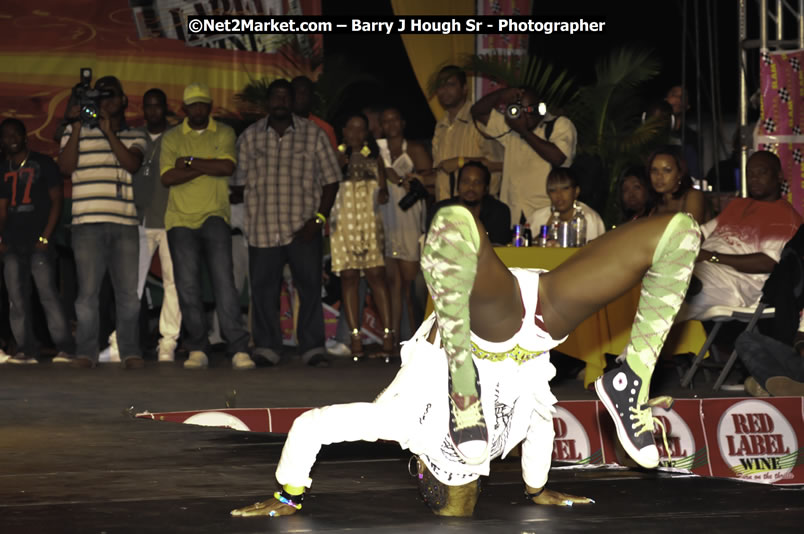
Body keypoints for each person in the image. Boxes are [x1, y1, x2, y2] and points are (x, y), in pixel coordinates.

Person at [230, 201, 702, 518]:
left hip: (519, 324)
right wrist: (287, 493)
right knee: (679, 233)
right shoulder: (439, 434)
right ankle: (626, 379)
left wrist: (537, 488)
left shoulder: (449, 435)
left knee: (677, 233)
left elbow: (541, 430)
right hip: (518, 323)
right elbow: (311, 426)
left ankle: (474, 377)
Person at [232, 79, 341, 367]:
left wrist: (318, 218)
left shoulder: (313, 135)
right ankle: (267, 347)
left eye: (285, 97)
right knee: (264, 290)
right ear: (268, 102)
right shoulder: (249, 137)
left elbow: (331, 180)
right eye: (275, 97)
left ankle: (312, 348)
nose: (280, 101)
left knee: (309, 288)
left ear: (293, 101)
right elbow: (238, 183)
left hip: (303, 227)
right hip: (263, 227)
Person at [160, 82, 254, 370]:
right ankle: (197, 347)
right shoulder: (172, 136)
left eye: (203, 104)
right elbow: (167, 177)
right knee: (187, 286)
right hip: (179, 219)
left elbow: (227, 167)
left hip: (215, 215)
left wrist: (189, 162)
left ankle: (237, 347)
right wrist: (206, 165)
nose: (198, 109)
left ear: (210, 107)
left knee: (224, 282)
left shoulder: (224, 132)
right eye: (193, 105)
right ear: (184, 108)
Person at [58, 76, 147, 368]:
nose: (107, 100)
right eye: (102, 95)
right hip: (86, 224)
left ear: (123, 100)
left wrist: (109, 133)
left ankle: (130, 351)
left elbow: (132, 164)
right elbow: (65, 167)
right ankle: (86, 353)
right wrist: (74, 128)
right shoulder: (75, 131)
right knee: (87, 295)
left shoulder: (135, 134)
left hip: (124, 224)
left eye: (113, 94)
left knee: (128, 295)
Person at [677, 151, 802, 321]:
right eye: (750, 173)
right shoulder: (738, 205)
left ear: (779, 176)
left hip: (732, 283)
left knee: (670, 288)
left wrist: (711, 257)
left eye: (761, 172)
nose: (754, 178)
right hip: (698, 266)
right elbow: (701, 233)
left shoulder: (787, 217)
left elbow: (767, 262)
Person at [105, 88, 181, 363]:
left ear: (165, 108)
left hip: (171, 219)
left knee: (174, 284)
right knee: (131, 285)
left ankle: (167, 344)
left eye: (157, 106)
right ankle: (118, 344)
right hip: (138, 220)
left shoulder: (176, 136)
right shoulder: (134, 136)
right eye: (148, 106)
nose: (152, 111)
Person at [0, 118, 74, 363]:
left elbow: (57, 201)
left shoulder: (44, 163)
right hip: (12, 243)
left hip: (39, 242)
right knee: (16, 297)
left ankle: (64, 347)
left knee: (47, 295)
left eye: (14, 135)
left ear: (24, 137)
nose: (10, 140)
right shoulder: (3, 168)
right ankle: (25, 349)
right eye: (5, 136)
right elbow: (1, 209)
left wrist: (46, 235)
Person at [331, 112, 395, 359]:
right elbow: (326, 183)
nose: (356, 134)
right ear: (344, 131)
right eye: (351, 129)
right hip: (344, 221)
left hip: (368, 221)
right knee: (348, 277)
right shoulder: (335, 156)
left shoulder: (374, 158)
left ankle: (388, 336)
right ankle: (354, 338)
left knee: (376, 275)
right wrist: (340, 162)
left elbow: (384, 192)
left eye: (361, 129)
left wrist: (382, 194)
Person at [471, 86, 577, 227]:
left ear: (540, 108)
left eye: (528, 110)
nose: (524, 116)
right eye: (519, 110)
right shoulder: (512, 128)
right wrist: (502, 94)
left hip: (548, 215)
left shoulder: (559, 125)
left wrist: (524, 132)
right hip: (513, 215)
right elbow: (477, 111)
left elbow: (558, 157)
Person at [377, 107, 431, 342]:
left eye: (394, 119)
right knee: (392, 283)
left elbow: (431, 182)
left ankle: (417, 338)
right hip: (386, 219)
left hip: (409, 220)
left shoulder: (415, 149)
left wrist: (402, 180)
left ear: (402, 122)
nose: (391, 124)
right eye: (385, 120)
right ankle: (395, 337)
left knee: (410, 283)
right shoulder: (378, 151)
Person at [432, 65, 503, 201]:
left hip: (478, 208)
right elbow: (441, 174)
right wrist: (420, 180)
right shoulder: (440, 126)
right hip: (446, 209)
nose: (444, 90)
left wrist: (460, 161)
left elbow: (501, 164)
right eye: (440, 86)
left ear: (465, 89)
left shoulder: (479, 120)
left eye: (450, 84)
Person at [428, 161, 511, 246]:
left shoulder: (499, 212)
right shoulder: (441, 211)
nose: (471, 187)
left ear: (486, 189)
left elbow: (499, 249)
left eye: (477, 182)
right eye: (465, 182)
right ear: (458, 186)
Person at [529, 167, 606, 242]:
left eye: (565, 189)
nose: (559, 195)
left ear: (576, 191)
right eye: (553, 190)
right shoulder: (537, 217)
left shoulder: (589, 218)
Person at [648, 146, 706, 224]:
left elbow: (691, 231)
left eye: (666, 170)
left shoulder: (693, 196)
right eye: (654, 171)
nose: (659, 176)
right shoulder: (655, 204)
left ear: (680, 173)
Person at [291, 76, 337, 149]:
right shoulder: (275, 125)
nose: (300, 96)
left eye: (304, 93)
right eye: (296, 92)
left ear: (311, 97)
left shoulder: (325, 129)